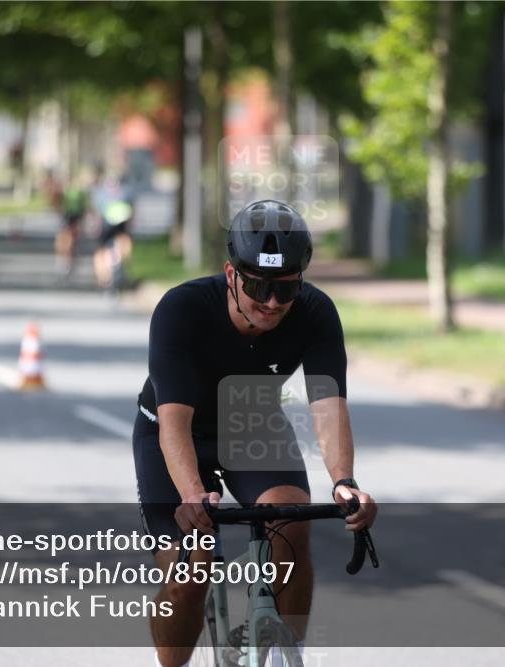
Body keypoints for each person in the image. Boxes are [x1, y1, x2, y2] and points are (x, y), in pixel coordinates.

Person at [133, 200, 377, 667]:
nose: (270, 302)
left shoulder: (316, 313)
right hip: (173, 433)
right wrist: (190, 494)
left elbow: (329, 408)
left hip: (251, 425)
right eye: (257, 286)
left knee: (292, 524)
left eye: (284, 290)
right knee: (192, 565)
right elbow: (174, 423)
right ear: (231, 274)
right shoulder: (182, 309)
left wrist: (345, 481)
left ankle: (287, 651)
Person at [91, 166, 134, 290]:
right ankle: (115, 273)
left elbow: (96, 213)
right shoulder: (126, 192)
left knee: (102, 252)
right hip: (117, 227)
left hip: (109, 227)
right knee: (111, 250)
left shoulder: (100, 193)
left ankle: (105, 278)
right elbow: (131, 211)